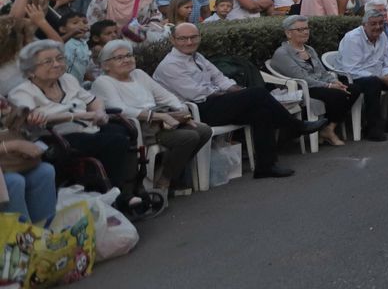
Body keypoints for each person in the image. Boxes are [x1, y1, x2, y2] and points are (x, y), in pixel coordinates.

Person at [154, 23, 325, 177]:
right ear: (173, 40)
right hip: (196, 111)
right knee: (257, 93)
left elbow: (219, 78)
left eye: (194, 37)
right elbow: (197, 93)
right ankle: (297, 126)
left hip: (215, 101)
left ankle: (266, 167)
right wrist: (231, 95)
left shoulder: (198, 57)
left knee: (262, 112)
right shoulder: (170, 65)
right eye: (183, 38)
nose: (189, 42)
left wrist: (235, 90)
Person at [7, 40, 143, 212]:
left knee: (125, 129)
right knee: (115, 141)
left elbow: (94, 100)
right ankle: (118, 195)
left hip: (86, 128)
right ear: (31, 70)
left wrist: (100, 112)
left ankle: (129, 187)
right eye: (48, 61)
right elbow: (32, 117)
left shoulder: (68, 80)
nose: (57, 64)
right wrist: (77, 115)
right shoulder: (22, 92)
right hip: (54, 137)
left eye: (59, 58)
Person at [90, 39, 211, 192]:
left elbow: (165, 96)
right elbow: (120, 109)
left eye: (129, 55)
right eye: (119, 58)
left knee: (205, 130)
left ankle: (167, 173)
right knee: (188, 137)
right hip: (139, 126)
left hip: (161, 118)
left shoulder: (139, 74)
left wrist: (182, 111)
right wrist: (159, 117)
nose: (126, 60)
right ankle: (165, 180)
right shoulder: (103, 82)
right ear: (105, 65)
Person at [270, 16, 356, 147]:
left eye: (306, 28)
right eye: (300, 29)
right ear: (288, 33)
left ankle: (329, 128)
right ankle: (328, 131)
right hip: (303, 88)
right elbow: (302, 79)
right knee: (338, 95)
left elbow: (322, 72)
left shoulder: (309, 49)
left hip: (319, 85)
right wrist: (329, 85)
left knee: (354, 88)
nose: (305, 32)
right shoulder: (282, 54)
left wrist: (334, 81)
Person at [338, 7, 388, 138]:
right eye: (373, 24)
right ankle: (372, 128)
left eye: (380, 23)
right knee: (373, 82)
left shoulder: (382, 37)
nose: (378, 27)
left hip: (378, 76)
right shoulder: (353, 38)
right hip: (356, 78)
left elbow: (386, 62)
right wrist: (382, 79)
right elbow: (352, 70)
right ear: (364, 25)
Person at [0, 96, 55, 227]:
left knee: (44, 172)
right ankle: (21, 239)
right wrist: (14, 146)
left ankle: (44, 232)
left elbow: (15, 120)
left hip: (9, 161)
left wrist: (32, 118)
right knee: (13, 181)